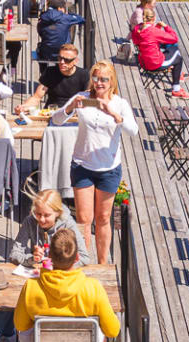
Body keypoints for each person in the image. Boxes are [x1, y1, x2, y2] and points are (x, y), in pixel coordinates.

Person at [58, 61, 137, 265]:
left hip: (108, 169)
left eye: (104, 79)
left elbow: (133, 131)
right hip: (82, 166)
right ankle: (85, 264)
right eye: (96, 78)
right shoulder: (82, 98)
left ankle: (102, 264)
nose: (99, 83)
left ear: (112, 81)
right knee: (84, 221)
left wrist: (113, 113)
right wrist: (71, 108)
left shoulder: (120, 103)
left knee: (103, 219)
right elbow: (57, 119)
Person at [130, 3, 188, 98]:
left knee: (171, 47)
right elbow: (174, 38)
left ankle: (174, 71)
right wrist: (165, 26)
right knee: (178, 56)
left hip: (143, 62)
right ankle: (176, 89)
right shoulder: (154, 31)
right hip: (155, 64)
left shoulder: (137, 28)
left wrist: (156, 28)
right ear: (153, 19)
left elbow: (146, 39)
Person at [12, 189, 79, 266]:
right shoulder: (30, 221)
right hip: (38, 271)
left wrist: (59, 264)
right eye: (38, 214)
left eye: (47, 215)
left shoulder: (67, 224)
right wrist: (32, 258)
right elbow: (14, 254)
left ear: (58, 213)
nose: (41, 219)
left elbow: (83, 257)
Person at [34, 0, 84, 69]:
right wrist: (70, 15)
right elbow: (81, 19)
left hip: (46, 54)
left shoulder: (42, 18)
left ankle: (44, 75)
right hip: (64, 53)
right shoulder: (65, 18)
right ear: (60, 8)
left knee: (40, 49)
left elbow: (40, 32)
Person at [35, 43, 90, 108]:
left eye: (67, 60)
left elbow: (88, 99)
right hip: (52, 112)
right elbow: (37, 97)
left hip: (74, 112)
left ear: (75, 61)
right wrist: (24, 107)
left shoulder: (84, 75)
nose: (62, 62)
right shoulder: (50, 72)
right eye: (60, 58)